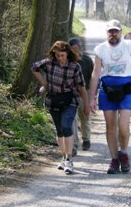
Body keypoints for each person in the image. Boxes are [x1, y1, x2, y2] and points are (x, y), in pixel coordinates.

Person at [89, 20, 131, 174]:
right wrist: (92, 97)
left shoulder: (128, 45)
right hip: (107, 90)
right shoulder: (100, 49)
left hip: (126, 90)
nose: (113, 34)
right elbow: (95, 74)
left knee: (123, 126)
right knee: (110, 126)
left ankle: (124, 153)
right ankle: (114, 159)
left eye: (116, 31)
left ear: (120, 32)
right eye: (110, 31)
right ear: (107, 33)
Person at [32, 40, 89, 174]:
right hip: (54, 100)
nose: (60, 58)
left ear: (68, 54)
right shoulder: (49, 63)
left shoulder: (74, 67)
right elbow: (34, 68)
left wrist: (86, 105)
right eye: (57, 55)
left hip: (70, 100)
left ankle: (69, 159)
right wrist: (45, 84)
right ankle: (63, 157)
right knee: (59, 130)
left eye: (62, 55)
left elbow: (82, 87)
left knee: (66, 126)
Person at [69, 37, 94, 154]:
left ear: (81, 49)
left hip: (86, 92)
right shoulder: (66, 60)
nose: (75, 51)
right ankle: (73, 144)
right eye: (72, 49)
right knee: (72, 119)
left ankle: (86, 138)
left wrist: (93, 96)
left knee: (85, 117)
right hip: (71, 93)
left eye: (77, 49)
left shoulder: (88, 61)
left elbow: (93, 78)